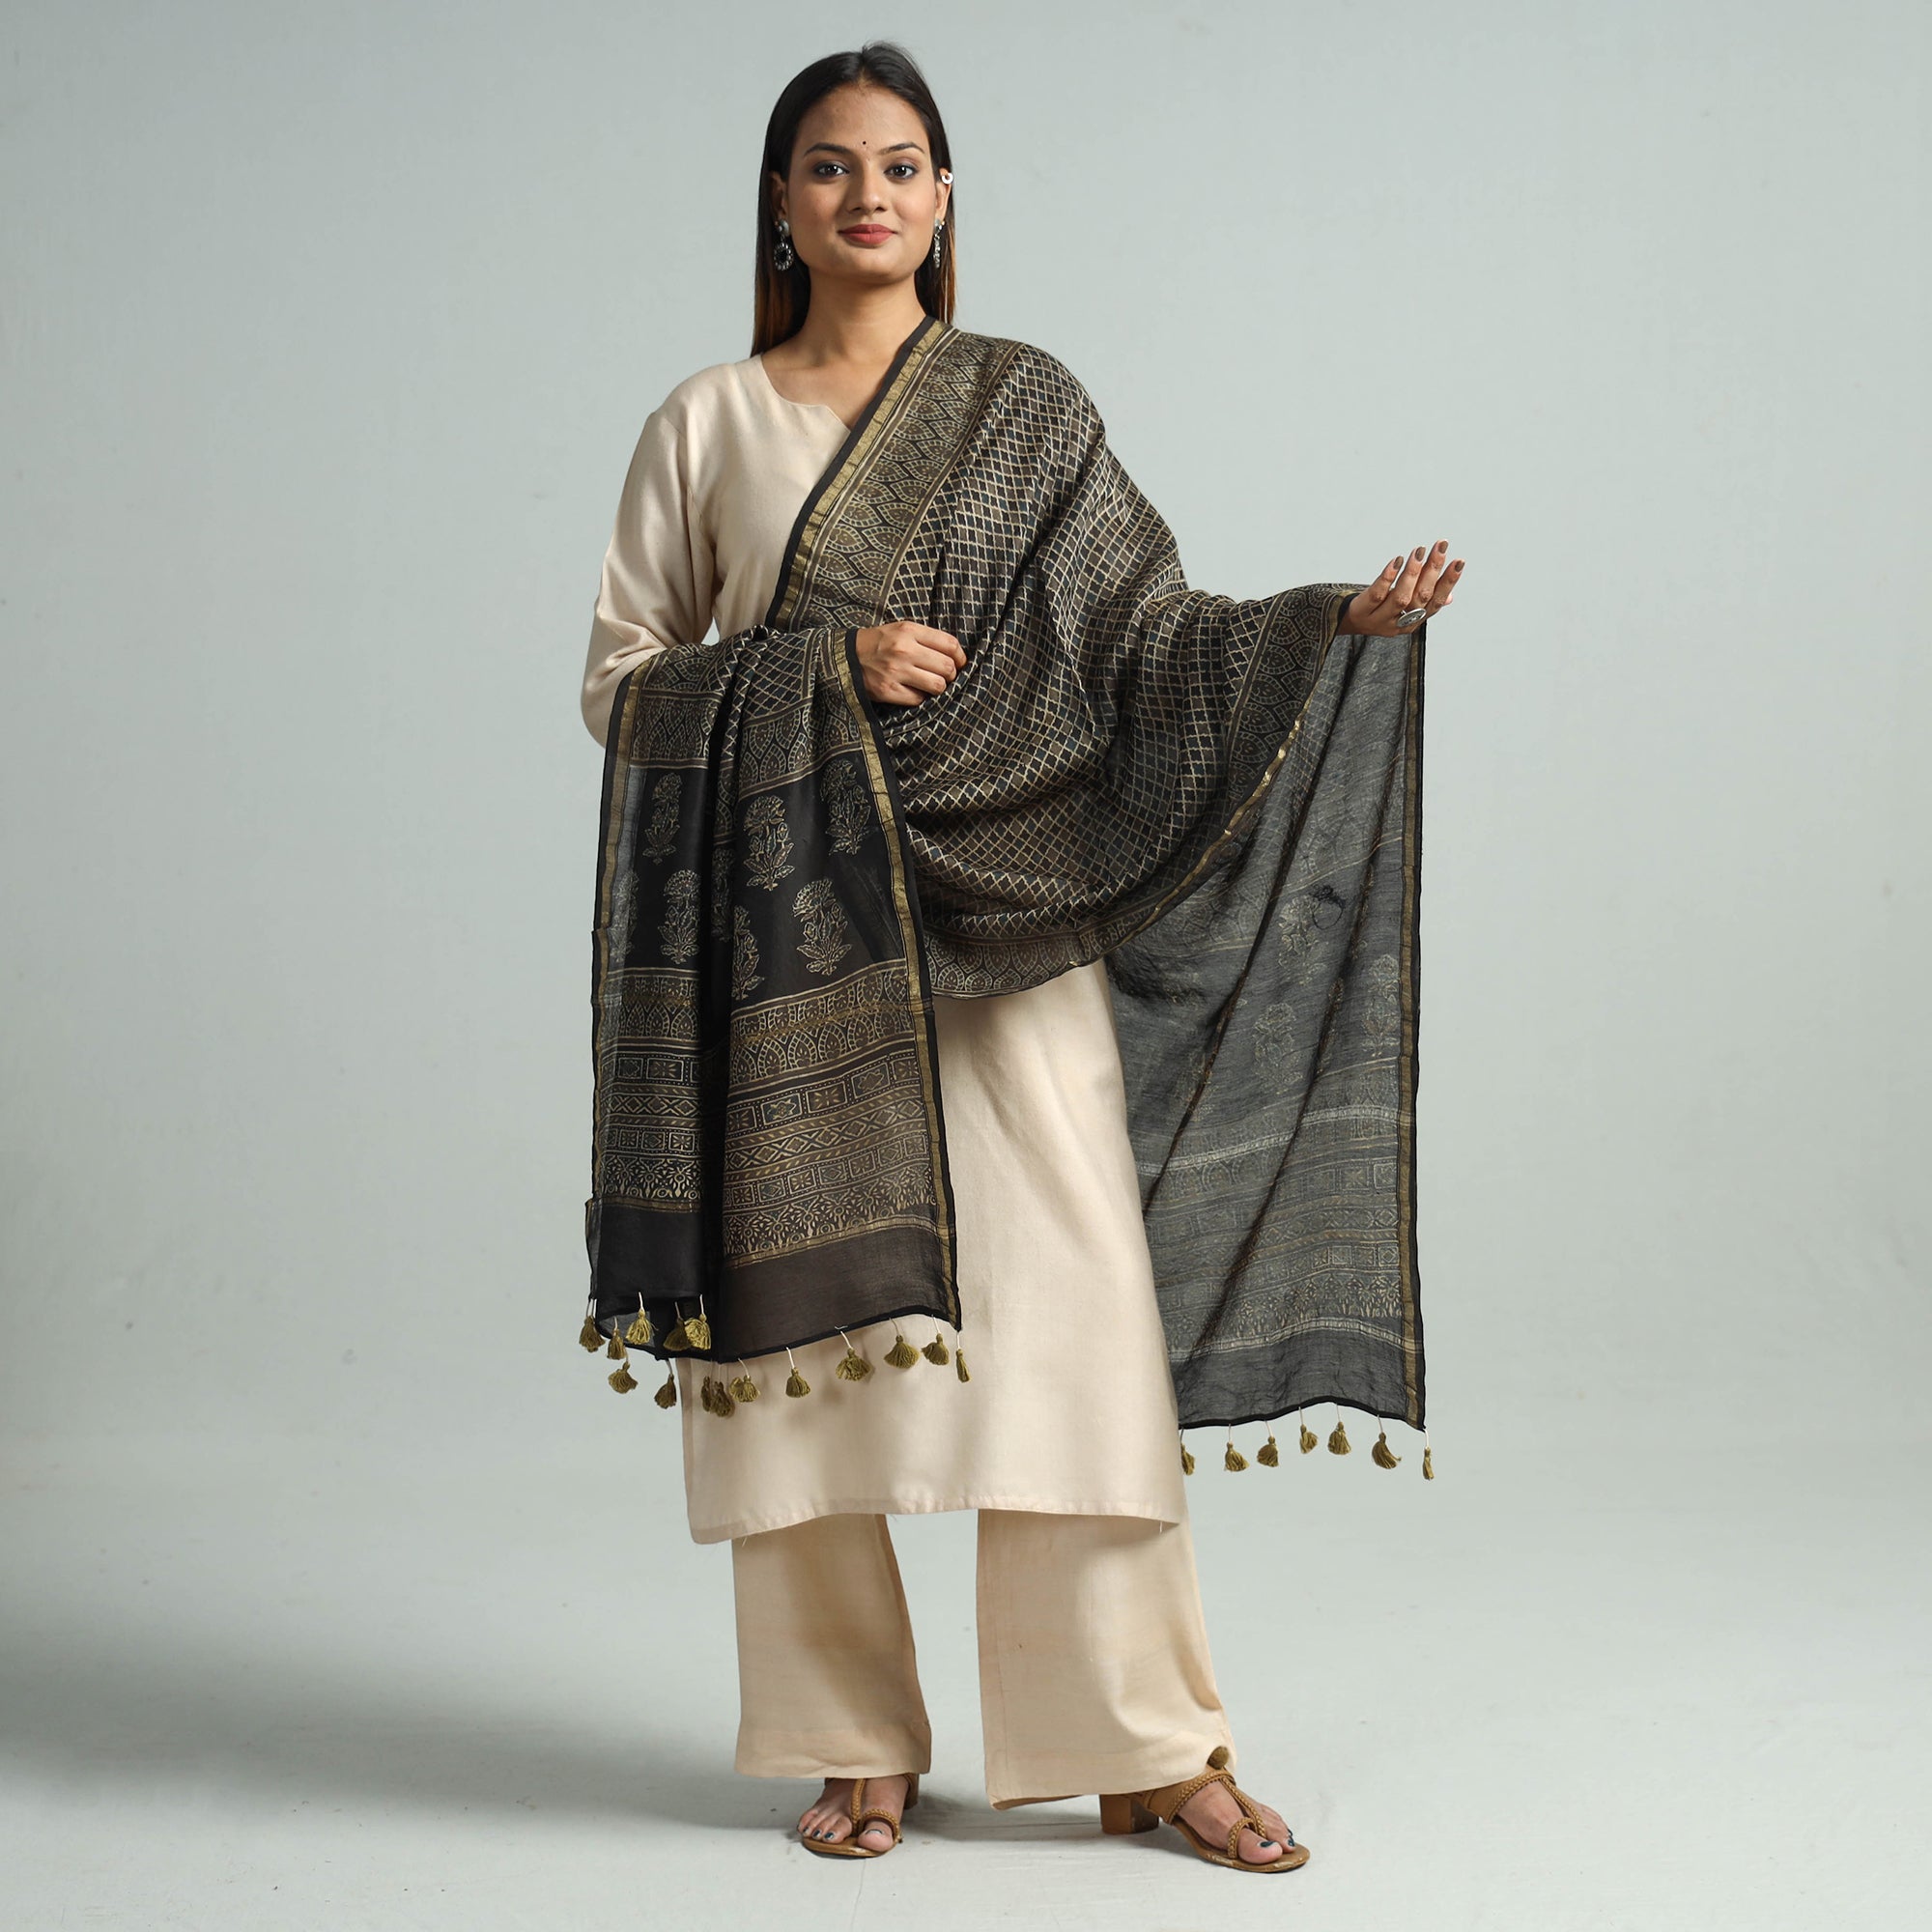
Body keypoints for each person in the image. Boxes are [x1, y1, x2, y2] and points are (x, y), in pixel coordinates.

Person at [576, 43, 1461, 1873]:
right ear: (781, 201)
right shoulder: (707, 424)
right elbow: (622, 685)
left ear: (946, 198)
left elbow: (1149, 638)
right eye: (832, 165)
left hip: (1010, 923)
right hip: (796, 942)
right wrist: (821, 668)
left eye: (903, 164)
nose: (869, 195)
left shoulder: (1021, 409)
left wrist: (1327, 629)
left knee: (1075, 1332)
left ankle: (1147, 1747)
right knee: (800, 1342)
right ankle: (850, 1741)